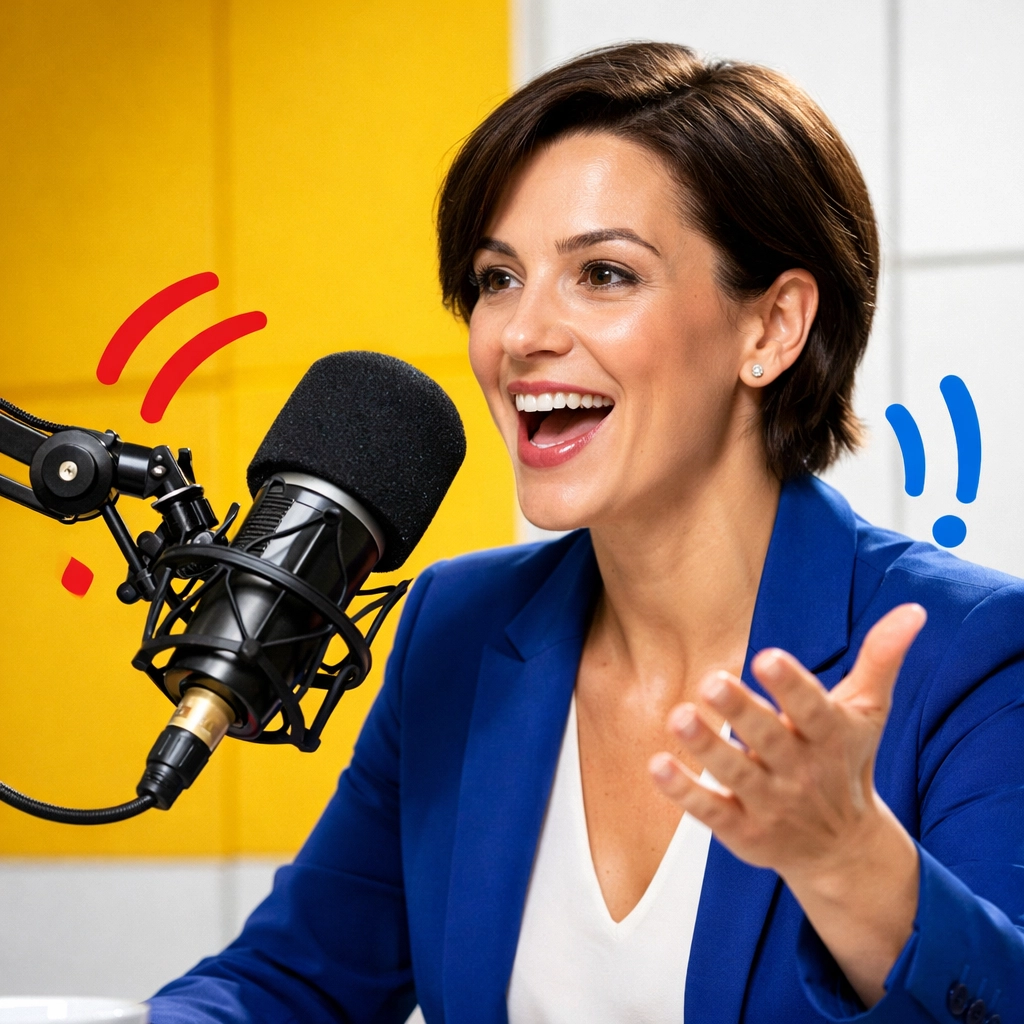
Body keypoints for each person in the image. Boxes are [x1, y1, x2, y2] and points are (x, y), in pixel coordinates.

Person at [149, 42, 1024, 1023]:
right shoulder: (458, 627)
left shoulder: (967, 651)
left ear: (771, 328)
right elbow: (289, 981)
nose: (519, 335)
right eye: (496, 278)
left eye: (603, 273)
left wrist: (847, 860)